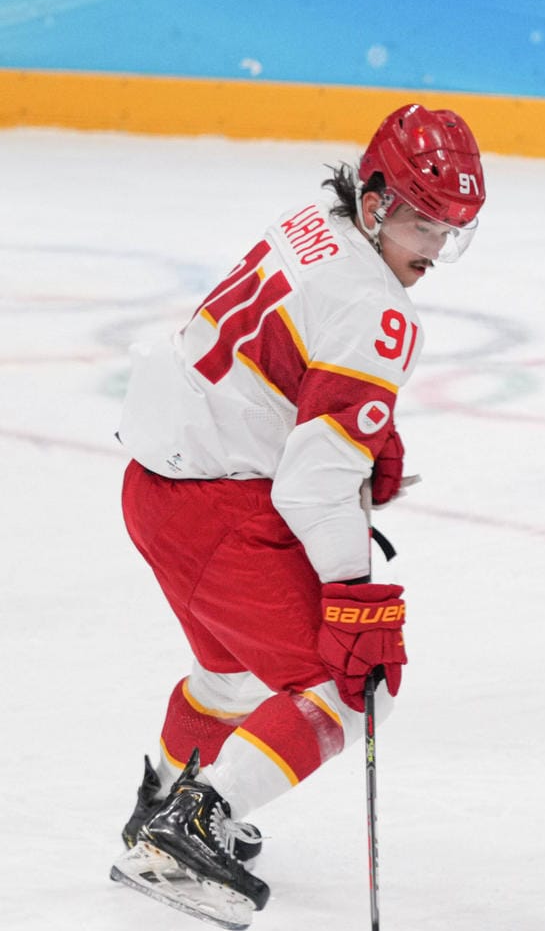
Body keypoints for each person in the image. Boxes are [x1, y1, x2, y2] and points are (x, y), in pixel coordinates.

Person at [110, 104, 486, 927]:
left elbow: (285, 356)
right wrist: (353, 596)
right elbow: (313, 488)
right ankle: (192, 826)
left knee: (231, 678)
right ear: (380, 200)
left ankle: (165, 806)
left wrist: (352, 423)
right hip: (219, 507)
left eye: (451, 230)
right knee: (352, 685)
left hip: (155, 490)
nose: (434, 250)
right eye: (422, 222)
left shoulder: (316, 223)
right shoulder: (380, 310)